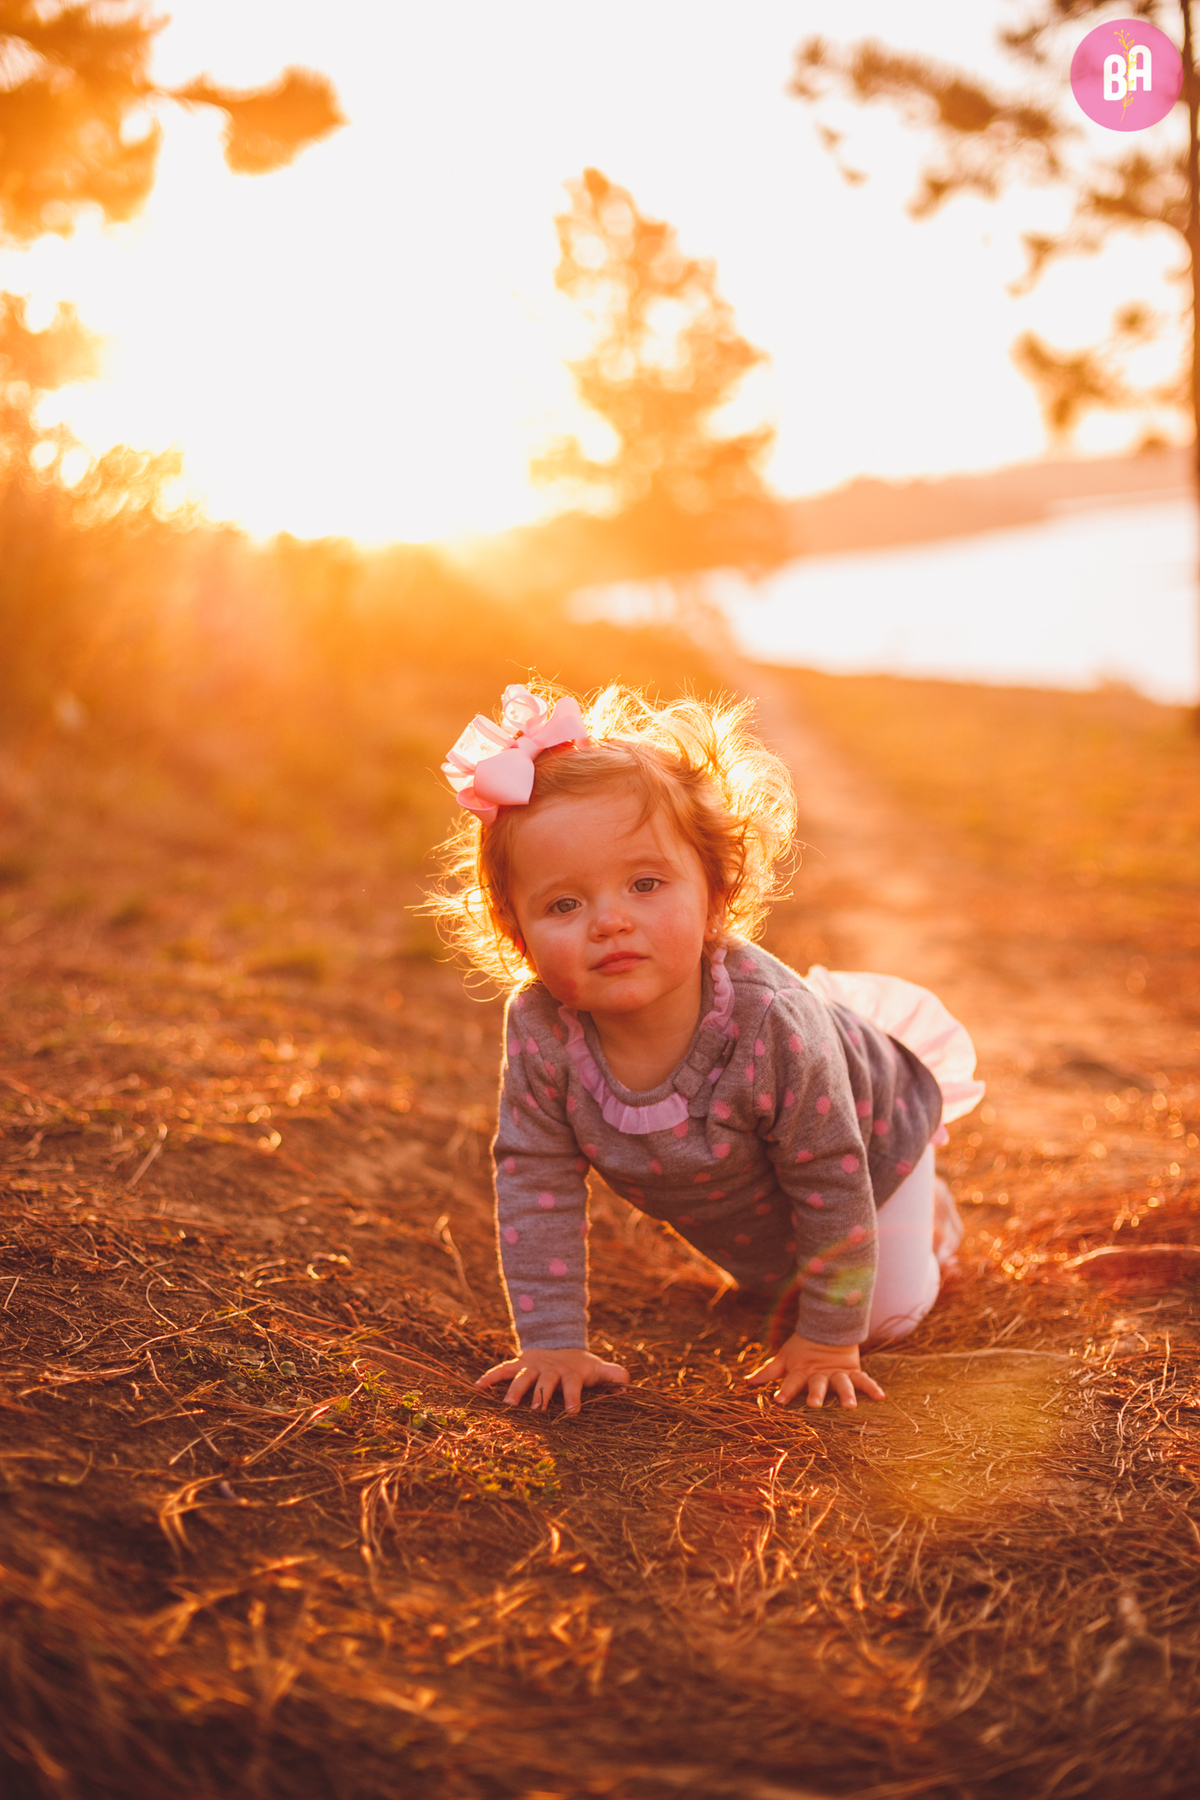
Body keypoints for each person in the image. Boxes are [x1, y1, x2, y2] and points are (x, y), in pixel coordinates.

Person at [428, 682, 983, 1417]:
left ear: (715, 894)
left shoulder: (771, 1027)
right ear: (516, 931)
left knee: (880, 1321)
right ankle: (834, 1262)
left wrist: (827, 1341)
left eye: (646, 883)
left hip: (870, 1143)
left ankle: (925, 1209)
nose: (610, 922)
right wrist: (552, 1340)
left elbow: (831, 1177)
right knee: (767, 1285)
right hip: (755, 1181)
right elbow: (536, 1178)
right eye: (565, 904)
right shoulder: (542, 1031)